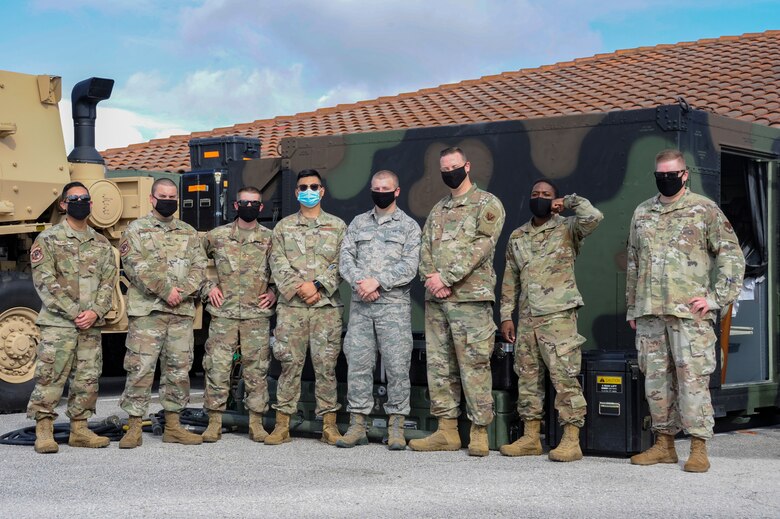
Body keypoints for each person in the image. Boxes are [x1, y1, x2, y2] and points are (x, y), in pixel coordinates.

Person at [626, 149, 745, 472]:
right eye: (660, 175)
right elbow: (634, 262)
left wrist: (716, 298)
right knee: (656, 383)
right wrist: (633, 307)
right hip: (650, 313)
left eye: (671, 174)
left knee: (692, 382)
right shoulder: (642, 212)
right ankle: (664, 445)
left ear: (684, 174)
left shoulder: (704, 209)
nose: (665, 179)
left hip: (689, 316)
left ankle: (698, 447)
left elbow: (731, 256)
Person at [410, 147, 505, 457]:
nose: (449, 172)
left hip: (470, 299)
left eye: (454, 166)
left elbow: (481, 247)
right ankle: (446, 431)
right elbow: (424, 249)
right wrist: (431, 279)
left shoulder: (487, 204)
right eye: (444, 169)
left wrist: (446, 278)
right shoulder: (438, 209)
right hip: (437, 301)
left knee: (474, 365)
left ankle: (479, 431)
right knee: (440, 366)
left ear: (467, 167)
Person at [498, 180, 603, 462]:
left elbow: (593, 217)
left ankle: (571, 439)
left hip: (558, 316)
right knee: (527, 377)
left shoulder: (568, 228)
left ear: (554, 200)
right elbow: (510, 278)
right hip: (527, 317)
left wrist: (568, 202)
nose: (540, 198)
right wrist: (506, 315)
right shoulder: (518, 236)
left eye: (546, 195)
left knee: (564, 376)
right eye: (535, 194)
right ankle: (531, 437)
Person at [26, 182, 117, 453]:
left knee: (87, 377)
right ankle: (44, 430)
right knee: (51, 375)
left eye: (85, 198)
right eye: (74, 198)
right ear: (63, 204)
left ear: (91, 203)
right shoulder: (48, 239)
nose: (80, 202)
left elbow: (108, 283)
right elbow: (45, 282)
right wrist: (76, 313)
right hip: (59, 323)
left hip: (90, 324)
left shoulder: (101, 243)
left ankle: (80, 429)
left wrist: (95, 312)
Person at [118, 178, 207, 448]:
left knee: (178, 370)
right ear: (152, 199)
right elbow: (134, 266)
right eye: (163, 196)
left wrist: (182, 291)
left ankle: (173, 426)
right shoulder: (136, 230)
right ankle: (134, 426)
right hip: (148, 312)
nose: (168, 201)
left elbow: (200, 267)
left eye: (172, 197)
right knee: (141, 368)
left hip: (180, 312)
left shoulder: (189, 232)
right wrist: (166, 291)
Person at [337, 170, 421, 450]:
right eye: (376, 188)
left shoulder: (409, 227)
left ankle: (396, 427)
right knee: (358, 365)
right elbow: (346, 258)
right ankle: (357, 425)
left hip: (393, 309)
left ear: (397, 191)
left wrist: (378, 282)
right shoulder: (358, 223)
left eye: (386, 189)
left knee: (398, 367)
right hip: (361, 307)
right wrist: (361, 283)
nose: (380, 192)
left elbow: (410, 266)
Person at [267, 169, 346, 445]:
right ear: (296, 192)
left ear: (322, 191)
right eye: (303, 187)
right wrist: (300, 288)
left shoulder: (338, 226)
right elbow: (277, 262)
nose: (309, 191)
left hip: (326, 308)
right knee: (289, 365)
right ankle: (282, 425)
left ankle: (329, 426)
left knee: (326, 366)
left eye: (314, 187)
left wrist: (318, 286)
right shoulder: (283, 228)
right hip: (292, 307)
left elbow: (342, 261)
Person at [200, 186, 277, 443]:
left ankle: (256, 423)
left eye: (254, 203)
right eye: (245, 203)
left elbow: (284, 269)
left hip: (257, 314)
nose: (249, 207)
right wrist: (208, 288)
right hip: (224, 313)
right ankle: (214, 422)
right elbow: (192, 263)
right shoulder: (217, 236)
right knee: (217, 367)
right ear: (235, 206)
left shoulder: (271, 238)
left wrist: (275, 292)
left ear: (261, 207)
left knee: (257, 369)